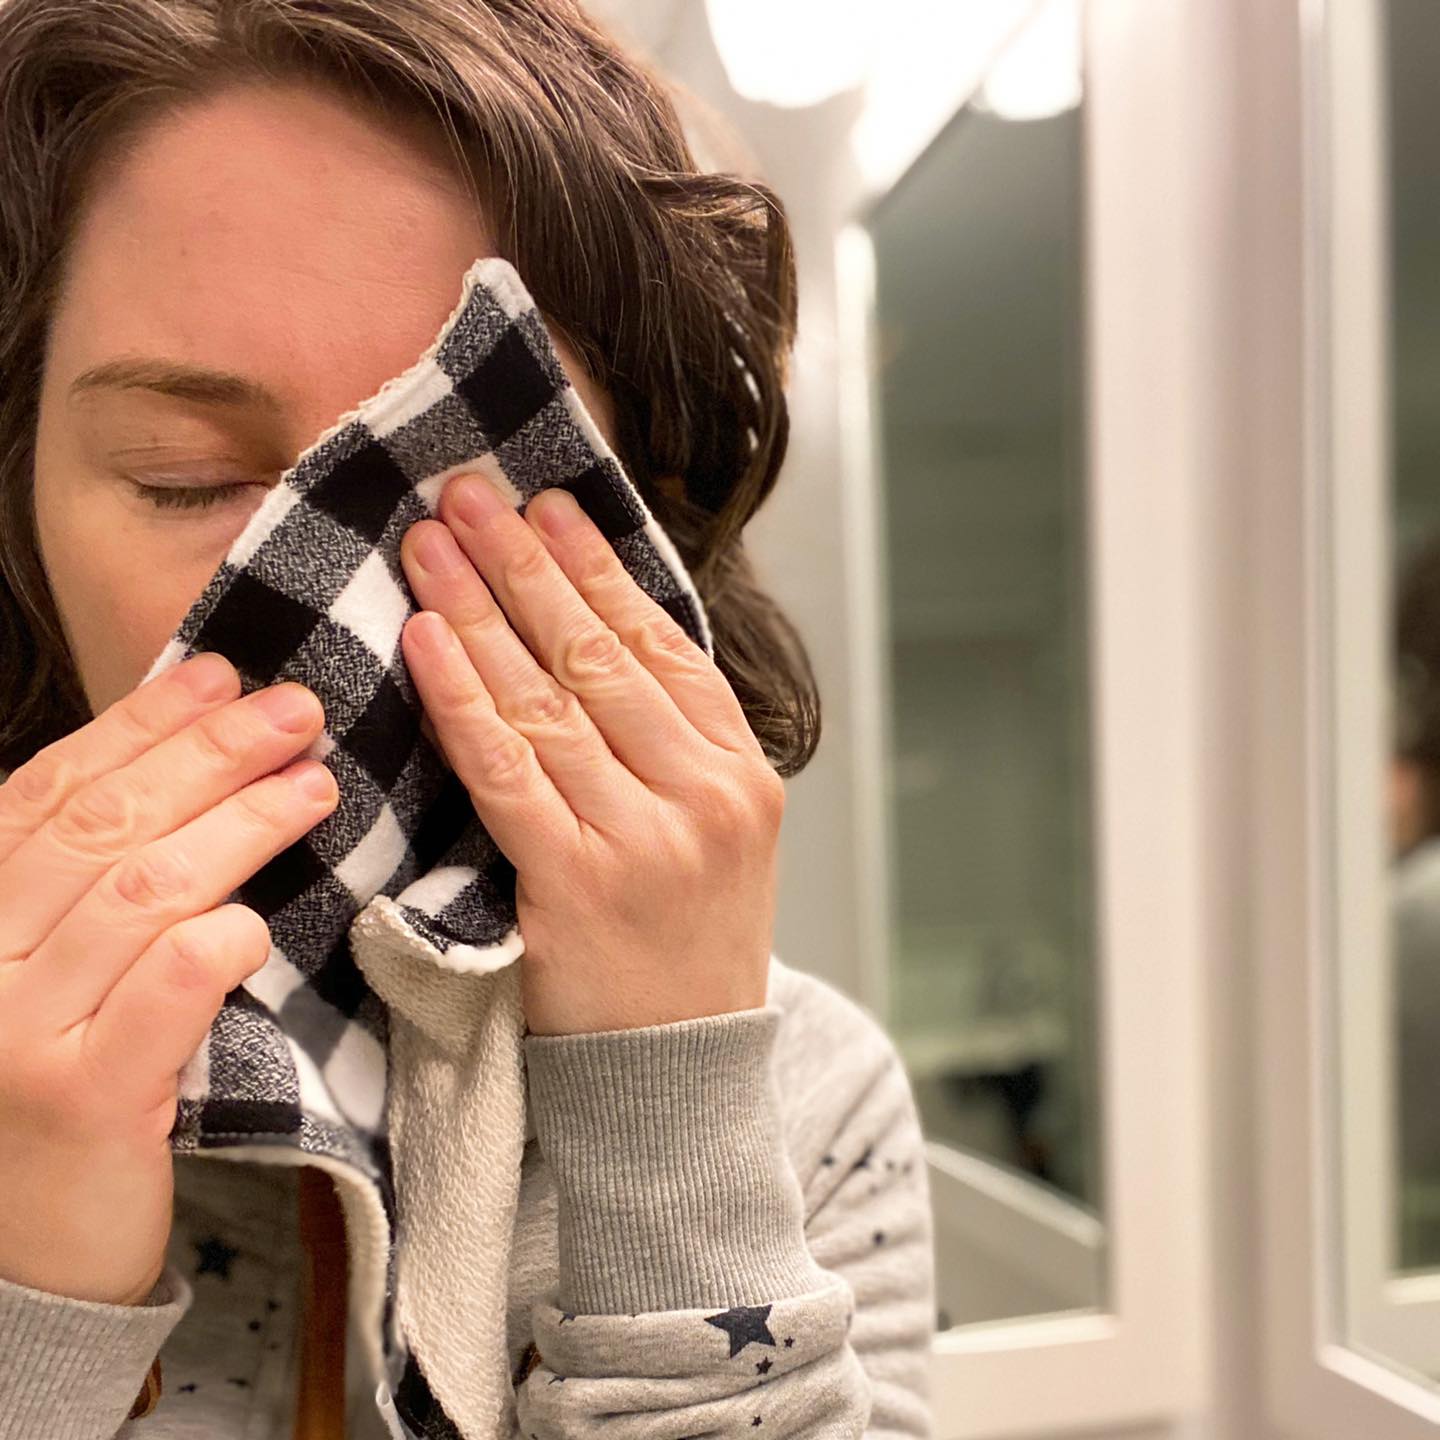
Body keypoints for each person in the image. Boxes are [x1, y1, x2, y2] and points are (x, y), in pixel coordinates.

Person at [0, 2, 937, 1437]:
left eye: (455, 485)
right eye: (185, 477)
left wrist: (669, 1122)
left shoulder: (808, 1098)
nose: (324, 599)